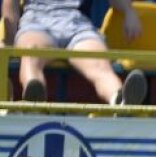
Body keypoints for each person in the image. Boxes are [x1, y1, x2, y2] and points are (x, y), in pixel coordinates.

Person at [1, 0, 147, 106]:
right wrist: (8, 42)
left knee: (100, 65)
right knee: (31, 55)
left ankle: (120, 101)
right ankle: (34, 100)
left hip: (77, 25)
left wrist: (129, 11)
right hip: (36, 24)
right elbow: (10, 4)